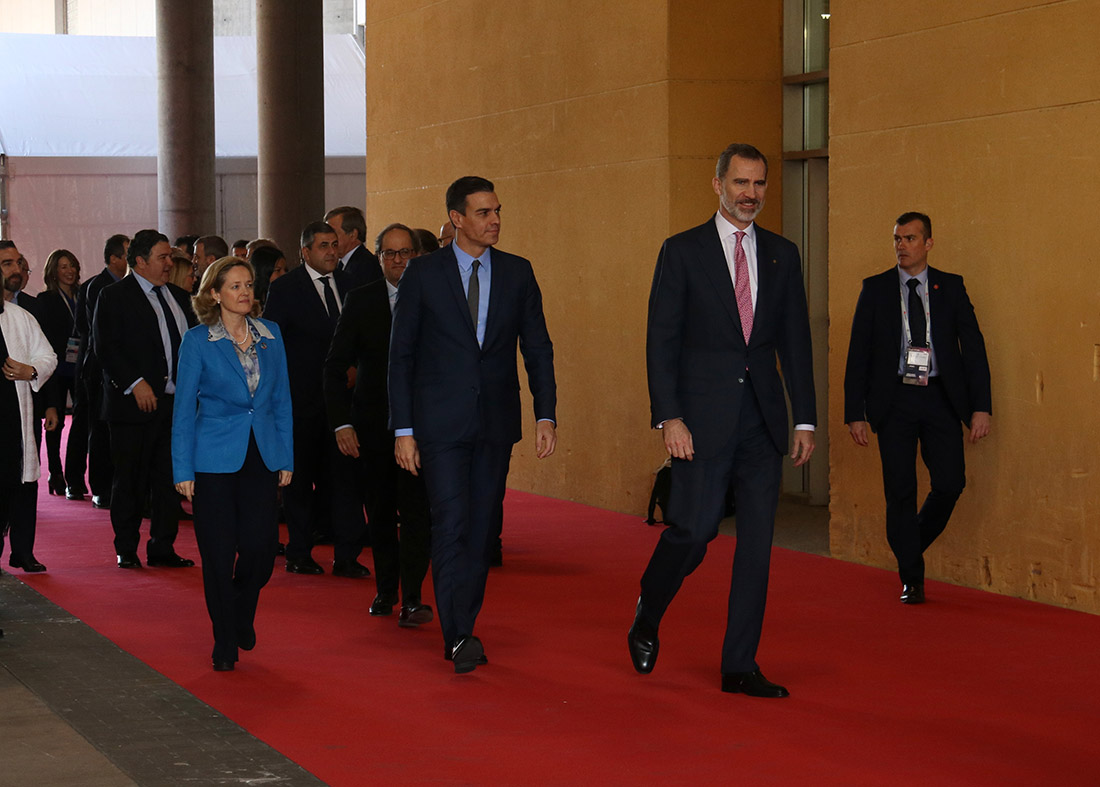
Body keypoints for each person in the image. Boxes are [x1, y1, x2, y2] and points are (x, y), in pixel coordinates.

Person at [629, 143, 817, 698]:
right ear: (717, 185)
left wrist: (804, 418)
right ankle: (649, 607)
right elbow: (660, 340)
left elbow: (796, 344)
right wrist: (670, 418)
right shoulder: (682, 251)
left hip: (763, 421)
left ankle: (739, 665)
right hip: (701, 422)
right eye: (740, 183)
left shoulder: (783, 254)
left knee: (757, 546)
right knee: (695, 529)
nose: (751, 195)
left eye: (759, 185)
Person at [389, 176, 557, 673]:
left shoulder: (518, 273)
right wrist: (404, 430)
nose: (495, 220)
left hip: (495, 424)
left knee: (481, 531)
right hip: (438, 426)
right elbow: (401, 357)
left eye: (498, 210)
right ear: (457, 219)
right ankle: (458, 633)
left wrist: (545, 412)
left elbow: (539, 348)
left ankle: (464, 621)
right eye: (483, 212)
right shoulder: (423, 275)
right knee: (451, 524)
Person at [843, 212, 992, 604]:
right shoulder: (875, 289)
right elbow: (857, 353)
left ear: (928, 243)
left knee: (950, 482)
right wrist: (854, 412)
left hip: (941, 397)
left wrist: (982, 407)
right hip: (894, 400)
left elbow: (973, 350)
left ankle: (908, 547)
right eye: (896, 239)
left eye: (909, 239)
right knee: (900, 491)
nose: (901, 246)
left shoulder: (951, 287)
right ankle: (913, 578)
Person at [173, 256, 294, 672]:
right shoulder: (198, 341)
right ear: (214, 294)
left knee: (260, 550)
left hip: (261, 455)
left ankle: (241, 611)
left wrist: (285, 455)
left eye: (248, 285)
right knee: (219, 554)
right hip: (211, 460)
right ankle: (224, 640)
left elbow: (281, 402)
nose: (245, 292)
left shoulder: (271, 335)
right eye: (235, 286)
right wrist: (182, 470)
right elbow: (184, 410)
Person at [325, 223, 433, 625]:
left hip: (423, 429)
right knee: (383, 513)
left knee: (419, 514)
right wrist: (341, 423)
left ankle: (415, 598)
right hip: (372, 428)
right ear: (379, 257)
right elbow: (335, 366)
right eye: (391, 254)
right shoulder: (362, 300)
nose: (400, 261)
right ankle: (387, 590)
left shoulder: (435, 299)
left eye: (406, 253)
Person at [263, 222, 366, 576]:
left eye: (335, 245)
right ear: (305, 252)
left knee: (345, 481)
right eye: (323, 246)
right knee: (300, 481)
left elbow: (366, 338)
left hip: (344, 404)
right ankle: (299, 552)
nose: (331, 252)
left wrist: (356, 367)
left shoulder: (353, 286)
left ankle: (347, 556)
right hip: (300, 402)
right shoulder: (286, 289)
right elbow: (272, 346)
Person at [93, 229, 197, 569]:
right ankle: (127, 546)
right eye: (163, 258)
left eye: (170, 257)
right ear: (140, 261)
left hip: (174, 406)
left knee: (168, 481)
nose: (170, 263)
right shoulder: (114, 296)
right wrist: (135, 382)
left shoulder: (180, 299)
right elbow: (106, 348)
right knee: (130, 481)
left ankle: (162, 547)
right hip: (133, 406)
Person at [0, 248, 57, 575]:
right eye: (7, 263)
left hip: (19, 415)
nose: (16, 268)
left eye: (20, 262)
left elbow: (48, 357)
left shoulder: (22, 316)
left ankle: (23, 550)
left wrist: (31, 371)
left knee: (24, 479)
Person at [68, 234, 128, 507]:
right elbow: (87, 330)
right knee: (96, 428)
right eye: (128, 254)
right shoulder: (97, 286)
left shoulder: (127, 286)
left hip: (116, 369)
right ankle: (98, 487)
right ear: (114, 258)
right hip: (96, 369)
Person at [37, 250, 83, 496]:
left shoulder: (82, 295)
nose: (69, 271)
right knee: (53, 421)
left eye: (72, 266)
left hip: (79, 367)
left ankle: (75, 472)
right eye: (64, 266)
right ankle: (55, 472)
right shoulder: (45, 299)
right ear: (54, 271)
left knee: (81, 421)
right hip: (55, 368)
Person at [324, 206, 382, 289]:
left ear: (353, 234)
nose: (327, 238)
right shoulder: (339, 264)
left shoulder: (367, 266)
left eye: (333, 232)